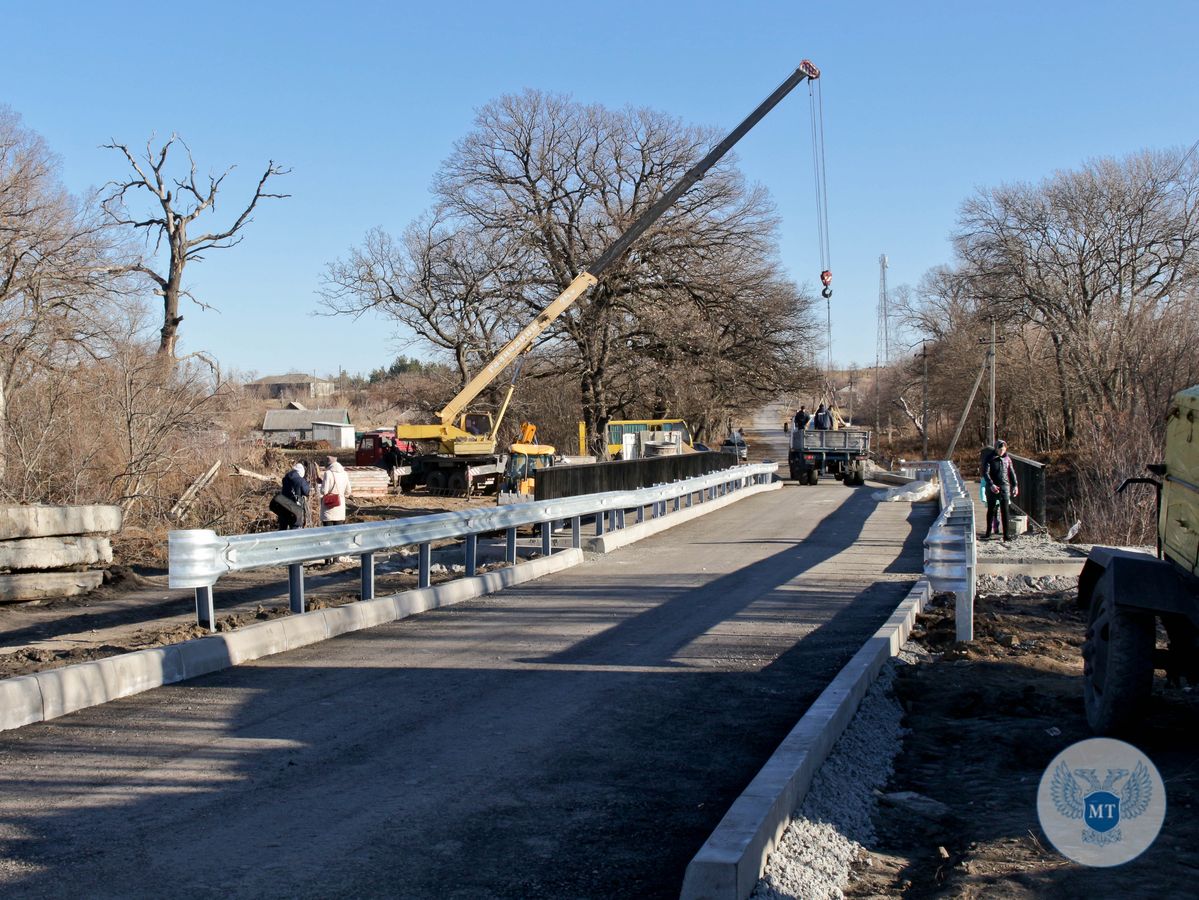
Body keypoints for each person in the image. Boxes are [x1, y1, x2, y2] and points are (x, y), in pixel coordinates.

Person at [984, 439, 1020, 542]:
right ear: (996, 449)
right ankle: (988, 533)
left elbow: (1012, 473)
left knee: (1005, 510)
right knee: (991, 509)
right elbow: (985, 473)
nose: (1001, 452)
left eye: (1003, 450)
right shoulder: (989, 458)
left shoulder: (1007, 459)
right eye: (1000, 450)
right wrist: (991, 484)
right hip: (992, 486)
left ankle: (1006, 535)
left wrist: (1015, 485)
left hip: (1004, 486)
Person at [270, 463, 309, 530]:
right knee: (295, 528)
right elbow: (306, 491)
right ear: (301, 472)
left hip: (283, 506)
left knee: (283, 528)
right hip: (295, 508)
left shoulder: (285, 478)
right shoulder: (301, 480)